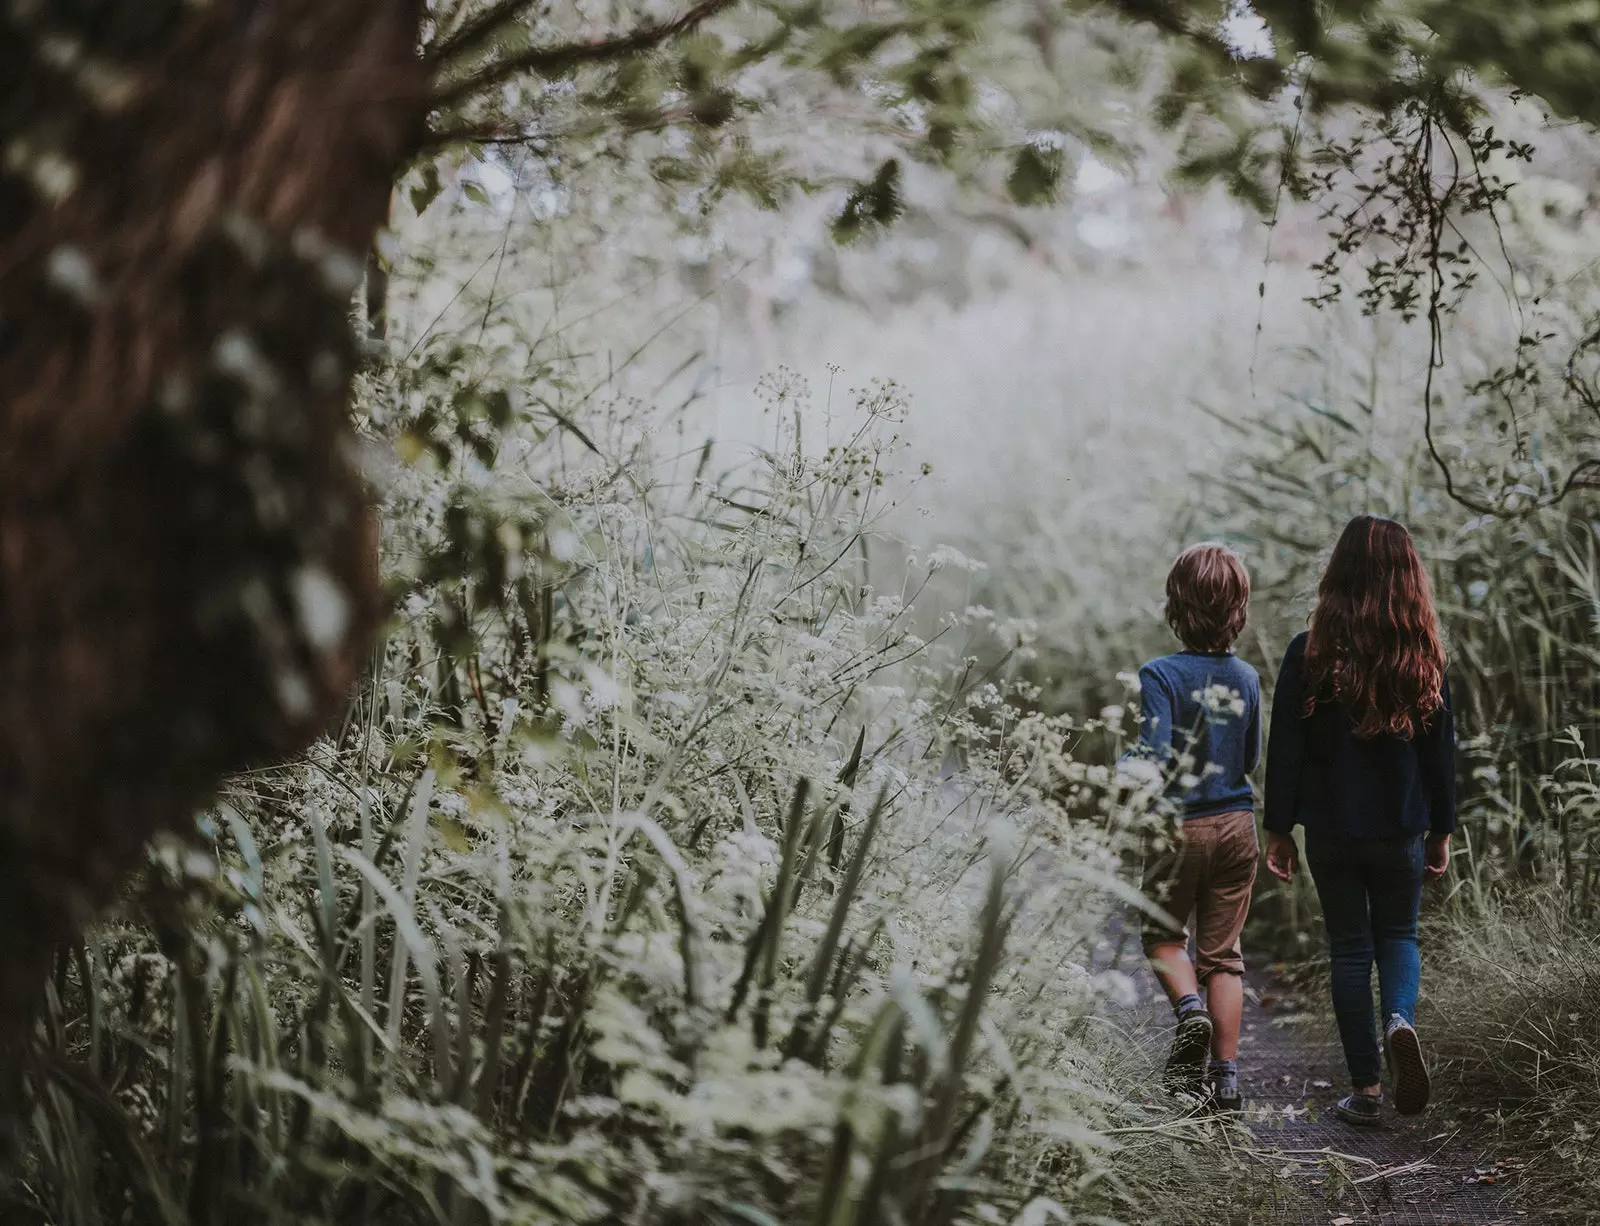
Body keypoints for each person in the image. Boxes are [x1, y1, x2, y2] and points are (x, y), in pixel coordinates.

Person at [1264, 514, 1455, 1126]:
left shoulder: (1310, 653)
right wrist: (1442, 827)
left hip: (1331, 830)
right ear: (1408, 579)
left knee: (1349, 948)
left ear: (1336, 575)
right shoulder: (1421, 655)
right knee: (1398, 936)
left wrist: (1278, 827)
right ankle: (1400, 1018)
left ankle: (1367, 1092)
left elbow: (1285, 748)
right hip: (1400, 827)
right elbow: (1440, 751)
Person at [1129, 542, 1261, 1112]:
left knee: (1161, 934)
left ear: (1176, 606)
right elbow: (1250, 756)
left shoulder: (1160, 674)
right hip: (1237, 825)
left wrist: (1123, 769)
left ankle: (1190, 1013)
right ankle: (1226, 1080)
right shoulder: (1248, 677)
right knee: (1224, 955)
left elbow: (1153, 756)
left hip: (1178, 827)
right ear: (1239, 608)